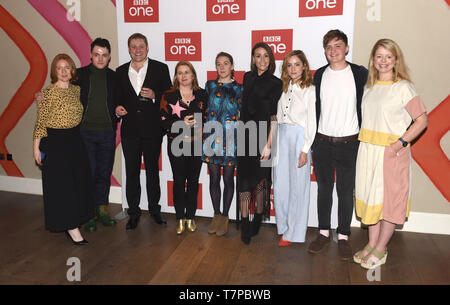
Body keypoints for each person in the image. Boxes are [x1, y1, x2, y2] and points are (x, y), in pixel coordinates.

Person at [353, 39, 428, 269]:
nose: (383, 61)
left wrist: (398, 145)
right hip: (367, 150)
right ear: (373, 60)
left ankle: (382, 248)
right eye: (379, 56)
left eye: (388, 57)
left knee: (388, 202)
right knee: (371, 200)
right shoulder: (370, 87)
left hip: (390, 153)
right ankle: (372, 243)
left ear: (396, 60)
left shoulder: (404, 87)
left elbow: (422, 120)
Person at [35, 39, 120, 233]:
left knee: (104, 173)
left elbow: (118, 99)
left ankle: (102, 209)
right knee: (86, 174)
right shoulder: (78, 75)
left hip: (107, 132)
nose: (100, 58)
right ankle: (88, 214)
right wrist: (41, 97)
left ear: (109, 57)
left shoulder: (114, 77)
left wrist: (119, 109)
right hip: (83, 134)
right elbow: (59, 90)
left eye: (104, 55)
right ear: (90, 55)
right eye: (96, 54)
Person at [307, 29, 368, 260]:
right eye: (329, 47)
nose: (333, 51)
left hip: (350, 143)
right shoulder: (319, 75)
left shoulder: (360, 74)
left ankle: (343, 236)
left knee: (345, 191)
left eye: (338, 46)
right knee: (324, 189)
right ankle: (323, 232)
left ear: (347, 48)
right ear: (325, 51)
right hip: (322, 142)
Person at [33, 53, 94, 245]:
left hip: (75, 140)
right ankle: (71, 228)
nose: (63, 71)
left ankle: (73, 221)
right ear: (54, 72)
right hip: (55, 143)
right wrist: (36, 148)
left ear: (72, 70)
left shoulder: (76, 91)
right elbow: (41, 122)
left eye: (67, 67)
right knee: (63, 187)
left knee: (77, 184)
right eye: (59, 68)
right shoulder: (47, 93)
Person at [115, 33, 172, 231]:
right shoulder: (120, 71)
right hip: (129, 131)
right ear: (129, 49)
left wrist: (156, 96)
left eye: (141, 46)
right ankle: (133, 213)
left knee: (152, 171)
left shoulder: (160, 68)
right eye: (133, 46)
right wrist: (116, 108)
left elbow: (170, 97)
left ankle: (155, 210)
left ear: (147, 48)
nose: (137, 50)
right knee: (131, 173)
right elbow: (116, 98)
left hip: (152, 130)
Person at [237, 42, 282, 245]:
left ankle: (258, 218)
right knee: (245, 183)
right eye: (257, 56)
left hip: (265, 137)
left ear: (271, 59)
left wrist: (269, 144)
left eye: (266, 56)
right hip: (246, 136)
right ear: (253, 58)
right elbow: (243, 108)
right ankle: (245, 223)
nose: (261, 60)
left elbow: (274, 116)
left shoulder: (276, 83)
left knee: (262, 183)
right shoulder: (247, 77)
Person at [273, 50, 316, 246]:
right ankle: (283, 226)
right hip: (282, 135)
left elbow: (312, 122)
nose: (293, 69)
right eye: (289, 65)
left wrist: (305, 149)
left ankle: (295, 233)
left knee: (298, 187)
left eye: (297, 64)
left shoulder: (310, 90)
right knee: (281, 184)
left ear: (304, 66)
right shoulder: (284, 88)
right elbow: (277, 117)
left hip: (300, 137)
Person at [160, 61, 208, 234]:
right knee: (179, 182)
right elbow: (162, 120)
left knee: (193, 182)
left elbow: (208, 117)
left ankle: (191, 217)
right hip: (176, 145)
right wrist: (180, 123)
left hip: (196, 145)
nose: (183, 76)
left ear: (193, 75)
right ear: (176, 76)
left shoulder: (202, 94)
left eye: (187, 72)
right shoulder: (169, 95)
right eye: (180, 73)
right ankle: (180, 218)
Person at [202, 52, 243, 237]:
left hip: (231, 138)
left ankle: (225, 216)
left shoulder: (240, 88)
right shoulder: (209, 85)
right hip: (211, 136)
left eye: (226, 63)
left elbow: (244, 115)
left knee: (227, 178)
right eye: (219, 64)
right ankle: (216, 215)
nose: (222, 67)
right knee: (213, 178)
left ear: (232, 66)